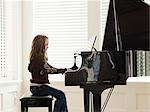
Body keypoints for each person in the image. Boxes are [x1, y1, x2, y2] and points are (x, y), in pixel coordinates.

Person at [28, 35, 68, 112]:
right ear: (41, 45)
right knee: (61, 95)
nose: (47, 47)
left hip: (36, 88)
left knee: (61, 95)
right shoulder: (39, 59)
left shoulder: (36, 57)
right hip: (38, 88)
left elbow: (48, 69)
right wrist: (64, 70)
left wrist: (63, 70)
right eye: (46, 44)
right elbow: (49, 70)